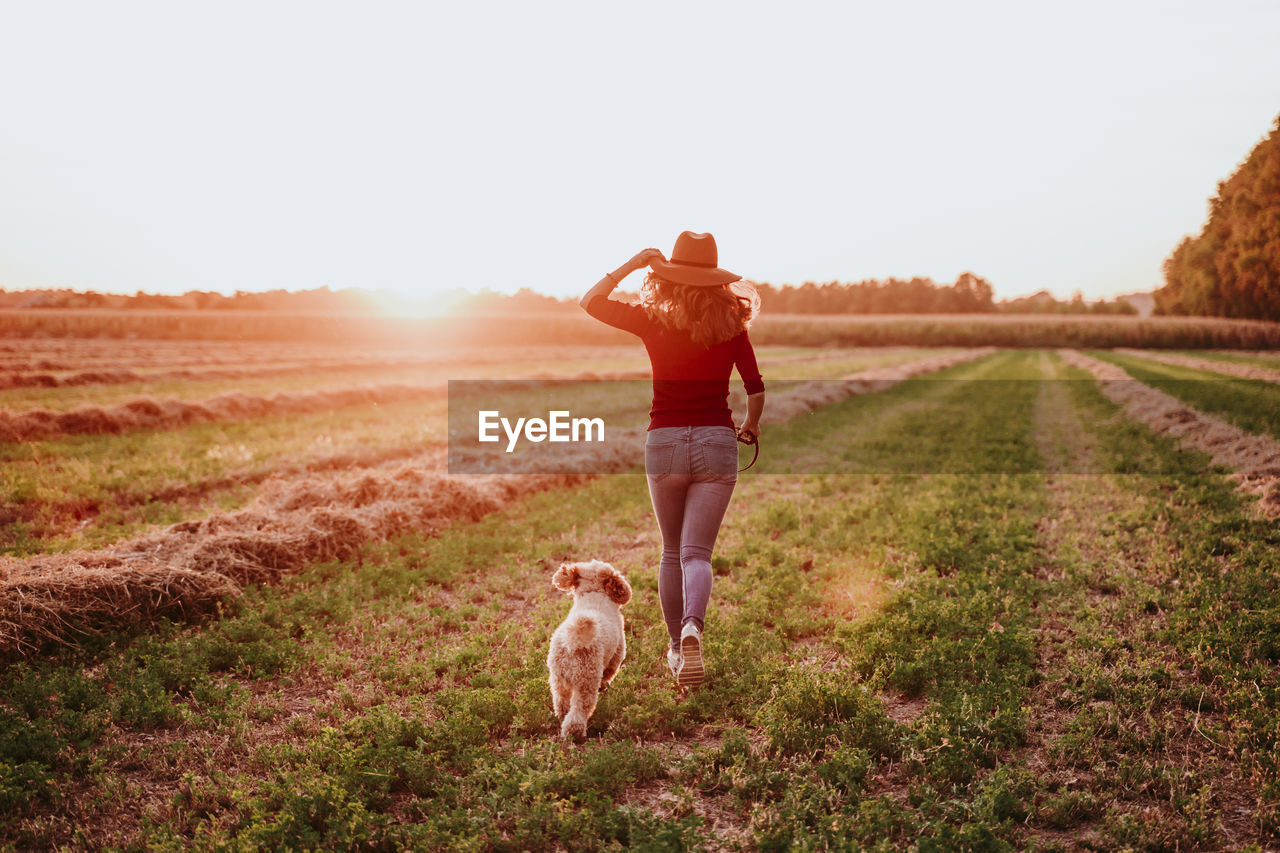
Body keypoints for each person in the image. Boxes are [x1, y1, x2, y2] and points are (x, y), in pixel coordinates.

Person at [580, 231, 765, 690]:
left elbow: (590, 300)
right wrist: (751, 426)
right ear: (718, 281)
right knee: (697, 553)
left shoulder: (651, 321)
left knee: (670, 552)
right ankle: (692, 629)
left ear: (670, 277)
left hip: (663, 442)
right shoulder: (732, 326)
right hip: (716, 440)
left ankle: (677, 651)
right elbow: (756, 387)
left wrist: (635, 262)